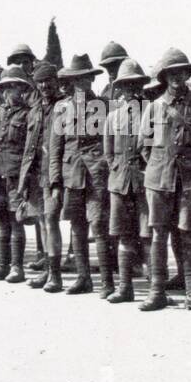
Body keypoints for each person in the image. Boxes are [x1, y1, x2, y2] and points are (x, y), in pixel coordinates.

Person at [140, 49, 191, 312]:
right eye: (171, 73)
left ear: (187, 74)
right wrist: (161, 166)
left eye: (181, 72)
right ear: (164, 76)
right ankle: (157, 291)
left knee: (188, 234)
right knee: (158, 234)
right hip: (159, 179)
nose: (176, 77)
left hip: (189, 180)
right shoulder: (154, 107)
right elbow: (144, 146)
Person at [49, 53, 112, 294]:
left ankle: (107, 282)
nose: (81, 84)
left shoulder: (105, 106)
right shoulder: (62, 108)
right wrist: (55, 181)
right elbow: (55, 148)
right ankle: (84, 278)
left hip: (98, 174)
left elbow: (113, 142)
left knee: (98, 224)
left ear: (91, 80)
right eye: (76, 80)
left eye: (85, 79)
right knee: (76, 226)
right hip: (71, 173)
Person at [102, 58, 150, 303]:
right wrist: (118, 170)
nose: (131, 90)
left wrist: (145, 172)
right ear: (120, 88)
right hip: (120, 183)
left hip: (144, 183)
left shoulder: (152, 113)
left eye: (135, 84)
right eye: (126, 85)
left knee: (147, 234)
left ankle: (155, 289)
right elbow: (108, 152)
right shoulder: (113, 117)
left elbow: (155, 149)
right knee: (123, 234)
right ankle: (125, 287)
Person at [0, 65, 32, 282]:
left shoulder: (29, 115)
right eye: (6, 88)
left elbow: (31, 149)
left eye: (15, 87)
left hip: (15, 173)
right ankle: (1, 265)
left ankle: (17, 267)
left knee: (15, 219)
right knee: (0, 219)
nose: (10, 92)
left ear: (23, 89)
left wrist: (25, 179)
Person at [18, 63, 62, 289]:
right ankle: (47, 271)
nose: (45, 86)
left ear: (56, 81)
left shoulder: (65, 107)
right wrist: (24, 178)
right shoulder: (34, 111)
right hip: (36, 173)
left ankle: (56, 275)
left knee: (52, 221)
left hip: (55, 172)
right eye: (41, 82)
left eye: (49, 81)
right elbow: (28, 146)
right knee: (43, 222)